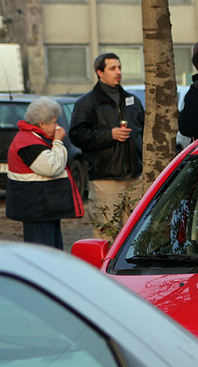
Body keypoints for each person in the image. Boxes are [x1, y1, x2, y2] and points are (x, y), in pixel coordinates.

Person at [69, 52, 145, 240]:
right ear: (99, 72)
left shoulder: (133, 101)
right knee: (107, 234)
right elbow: (77, 135)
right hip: (105, 180)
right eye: (113, 68)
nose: (118, 72)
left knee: (134, 236)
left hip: (134, 179)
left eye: (119, 67)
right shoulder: (86, 103)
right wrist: (109, 135)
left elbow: (144, 132)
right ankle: (102, 270)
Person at [6, 97, 83, 249]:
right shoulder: (28, 143)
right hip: (37, 209)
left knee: (52, 251)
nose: (57, 126)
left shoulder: (32, 138)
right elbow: (52, 167)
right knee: (43, 254)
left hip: (43, 208)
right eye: (54, 122)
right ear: (41, 123)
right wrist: (58, 142)